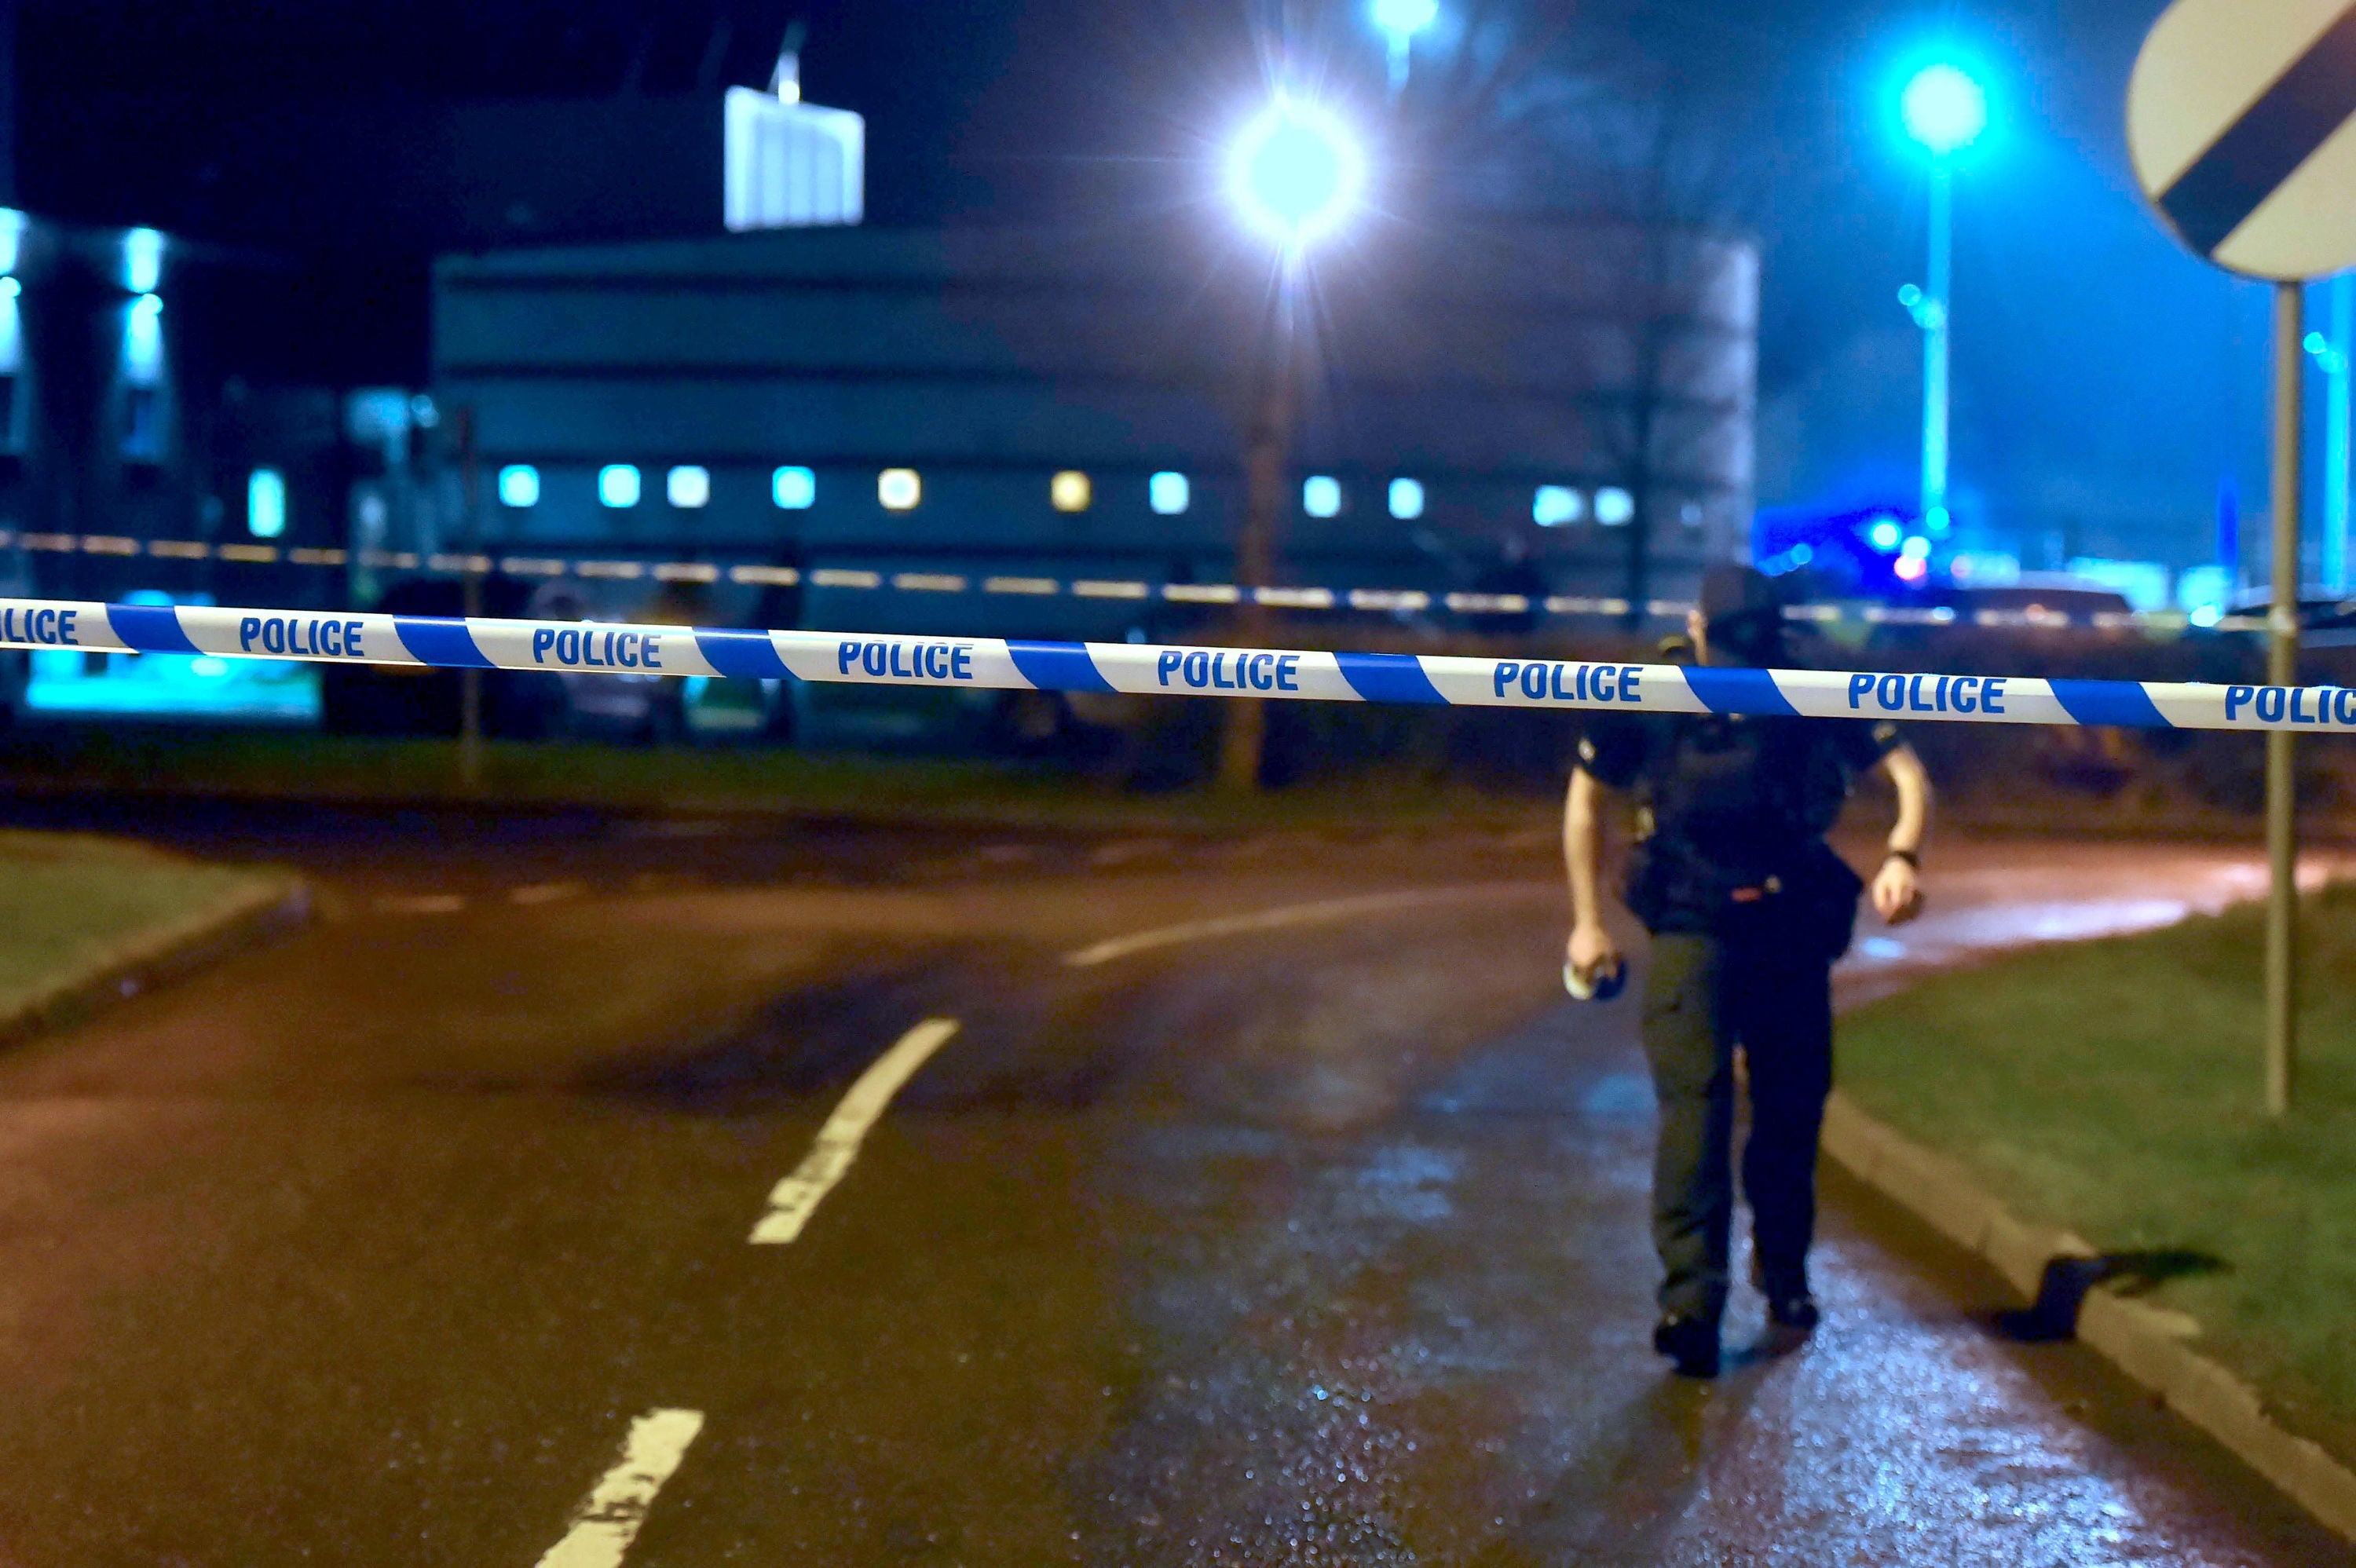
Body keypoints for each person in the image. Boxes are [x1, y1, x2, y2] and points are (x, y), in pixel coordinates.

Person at [1563, 565, 1931, 1378]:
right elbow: (1586, 797)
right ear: (1697, 629)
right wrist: (1587, 922)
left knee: (1790, 1109)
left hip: (1789, 920)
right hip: (1694, 922)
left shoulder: (1808, 688)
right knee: (1696, 1106)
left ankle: (1785, 1271)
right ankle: (1691, 1302)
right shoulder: (1652, 692)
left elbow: (1907, 776)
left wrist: (1902, 853)